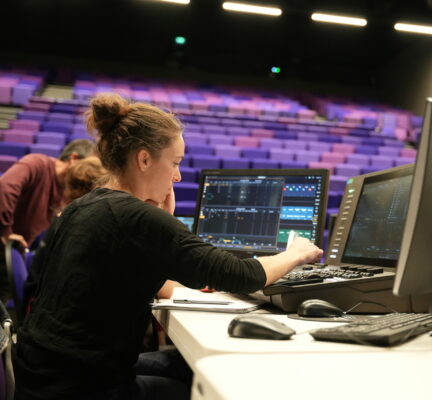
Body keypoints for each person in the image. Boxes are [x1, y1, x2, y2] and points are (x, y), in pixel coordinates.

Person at [14, 93, 322, 400]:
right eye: (175, 163)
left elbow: (116, 273)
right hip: (83, 388)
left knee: (180, 363)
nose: (178, 175)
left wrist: (162, 227)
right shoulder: (136, 216)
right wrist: (297, 252)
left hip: (42, 377)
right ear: (145, 159)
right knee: (200, 384)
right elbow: (240, 274)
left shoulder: (84, 206)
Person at [0, 139, 97, 302]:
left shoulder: (69, 191)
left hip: (9, 257)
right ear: (73, 158)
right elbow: (5, 188)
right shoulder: (37, 163)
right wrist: (5, 232)